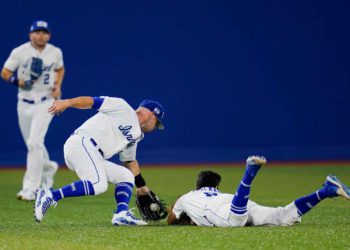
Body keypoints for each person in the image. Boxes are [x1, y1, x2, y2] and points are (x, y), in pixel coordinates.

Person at [34, 96, 165, 226]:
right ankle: (51, 195)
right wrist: (67, 103)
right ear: (152, 115)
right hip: (81, 143)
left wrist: (141, 187)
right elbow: (92, 101)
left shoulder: (136, 135)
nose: (155, 128)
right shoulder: (122, 107)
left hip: (93, 154)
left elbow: (130, 161)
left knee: (125, 176)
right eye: (156, 123)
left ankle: (121, 214)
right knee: (98, 184)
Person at [167, 156, 350, 227]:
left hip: (219, 210)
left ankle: (249, 172)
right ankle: (326, 190)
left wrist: (175, 207)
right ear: (216, 187)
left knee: (234, 222)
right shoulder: (217, 193)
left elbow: (171, 220)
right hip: (234, 201)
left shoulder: (186, 197)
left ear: (197, 185)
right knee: (283, 216)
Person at [1, 20, 65, 201]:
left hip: (46, 102)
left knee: (34, 142)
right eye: (37, 32)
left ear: (49, 35)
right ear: (30, 35)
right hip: (24, 103)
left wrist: (58, 85)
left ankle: (31, 188)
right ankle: (49, 167)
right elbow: (5, 72)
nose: (40, 35)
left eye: (44, 32)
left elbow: (60, 69)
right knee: (32, 144)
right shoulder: (20, 52)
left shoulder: (55, 52)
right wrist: (18, 81)